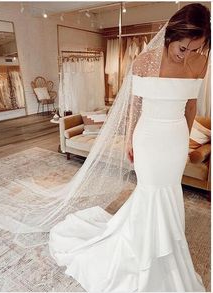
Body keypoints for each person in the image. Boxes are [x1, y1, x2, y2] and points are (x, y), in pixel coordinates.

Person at [48, 3, 210, 292]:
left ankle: (169, 250)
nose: (187, 55)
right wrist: (132, 138)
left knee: (170, 192)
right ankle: (142, 252)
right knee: (150, 192)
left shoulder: (201, 61)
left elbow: (191, 102)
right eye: (183, 48)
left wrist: (185, 140)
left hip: (174, 140)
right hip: (148, 138)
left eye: (195, 49)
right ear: (172, 34)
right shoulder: (144, 61)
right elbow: (136, 104)